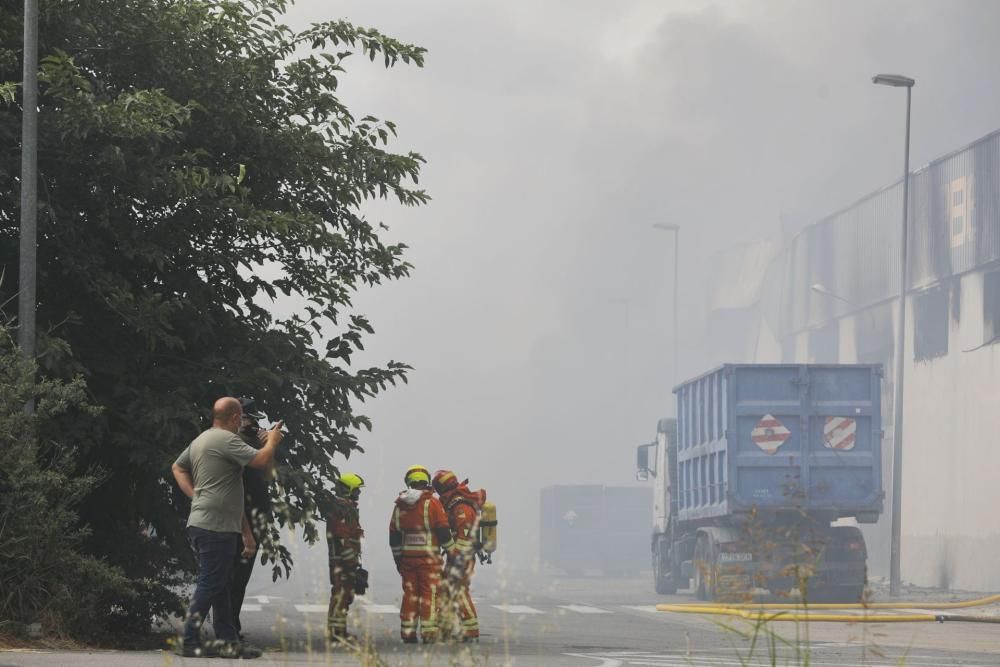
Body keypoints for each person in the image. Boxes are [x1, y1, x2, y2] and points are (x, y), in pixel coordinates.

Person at [171, 397, 284, 659]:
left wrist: (194, 495)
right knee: (211, 583)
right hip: (215, 527)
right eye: (242, 416)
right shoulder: (227, 440)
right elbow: (261, 462)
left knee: (220, 584)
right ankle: (189, 639)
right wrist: (272, 441)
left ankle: (228, 641)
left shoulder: (202, 439)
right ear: (234, 417)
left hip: (211, 523)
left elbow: (177, 467)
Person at [389, 465, 454, 644]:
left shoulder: (400, 505)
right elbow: (443, 531)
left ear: (409, 483)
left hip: (407, 561)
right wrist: (452, 551)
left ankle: (408, 633)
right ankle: (429, 633)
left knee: (410, 595)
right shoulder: (432, 503)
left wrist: (398, 559)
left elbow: (393, 536)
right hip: (429, 561)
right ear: (425, 482)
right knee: (429, 594)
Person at [230, 397, 274, 639]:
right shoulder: (239, 442)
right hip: (241, 518)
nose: (254, 427)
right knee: (235, 578)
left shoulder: (251, 443)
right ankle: (227, 630)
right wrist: (267, 445)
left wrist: (269, 447)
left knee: (238, 579)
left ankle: (230, 627)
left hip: (252, 516)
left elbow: (267, 474)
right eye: (250, 421)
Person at [432, 470, 486, 643]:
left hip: (462, 558)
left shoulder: (460, 506)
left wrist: (456, 559)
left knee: (460, 591)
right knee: (447, 590)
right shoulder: (454, 503)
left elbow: (463, 536)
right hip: (457, 556)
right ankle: (446, 627)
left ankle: (471, 630)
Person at [325, 472, 365, 643]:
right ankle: (336, 632)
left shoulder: (346, 508)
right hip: (341, 561)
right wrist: (351, 561)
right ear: (348, 489)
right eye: (357, 490)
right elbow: (342, 537)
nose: (359, 493)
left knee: (345, 595)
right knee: (340, 594)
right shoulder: (341, 510)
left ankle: (339, 630)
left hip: (346, 560)